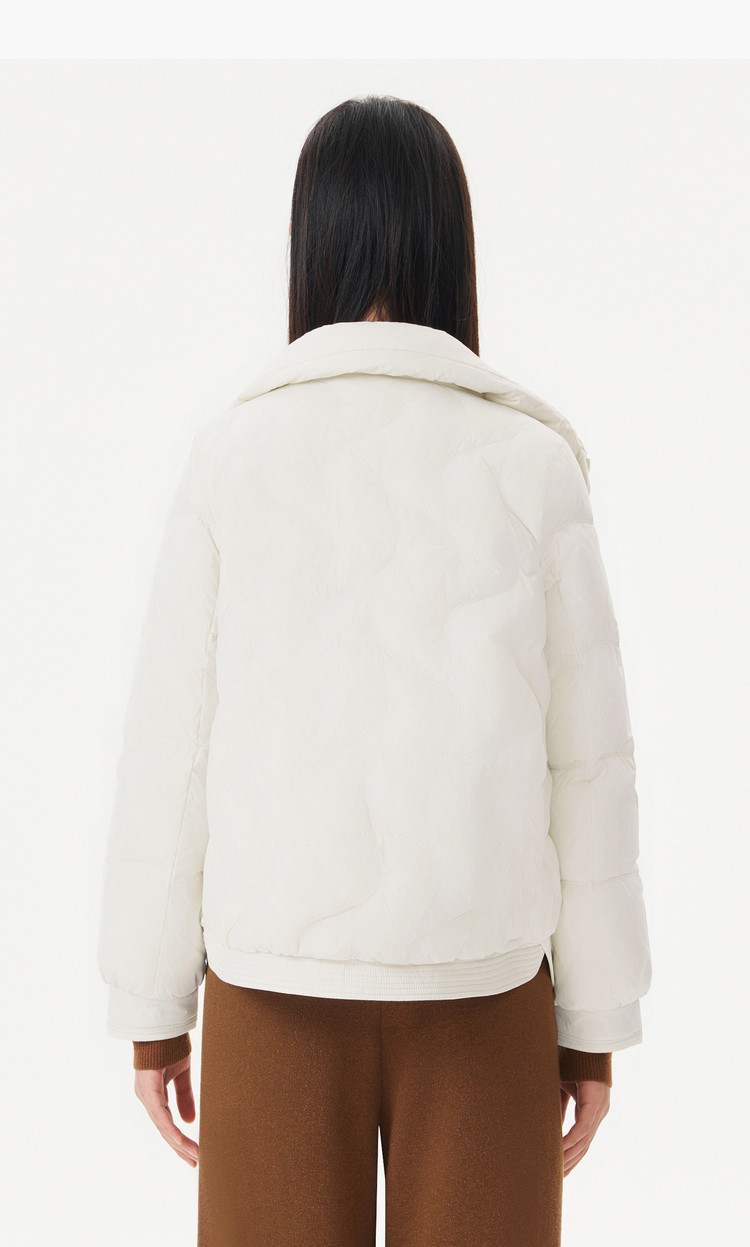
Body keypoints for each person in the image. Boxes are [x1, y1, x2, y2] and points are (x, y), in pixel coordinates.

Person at [97, 93, 652, 1246]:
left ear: (310, 243)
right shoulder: (532, 464)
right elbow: (588, 767)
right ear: (454, 245)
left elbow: (171, 749)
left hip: (272, 995)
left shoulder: (233, 455)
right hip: (485, 990)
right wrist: (594, 1023)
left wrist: (152, 1009)